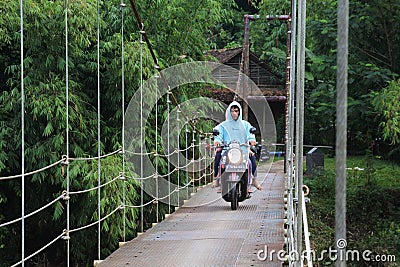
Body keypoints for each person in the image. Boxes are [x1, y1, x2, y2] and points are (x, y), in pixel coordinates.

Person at [213, 101, 262, 191]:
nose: (234, 113)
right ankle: (218, 179)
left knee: (251, 162)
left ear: (239, 112)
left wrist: (252, 140)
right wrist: (217, 141)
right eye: (232, 111)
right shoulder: (224, 125)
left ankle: (252, 181)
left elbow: (250, 134)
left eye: (236, 111)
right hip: (227, 150)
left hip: (243, 150)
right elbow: (218, 134)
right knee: (220, 160)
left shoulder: (245, 124)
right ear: (229, 112)